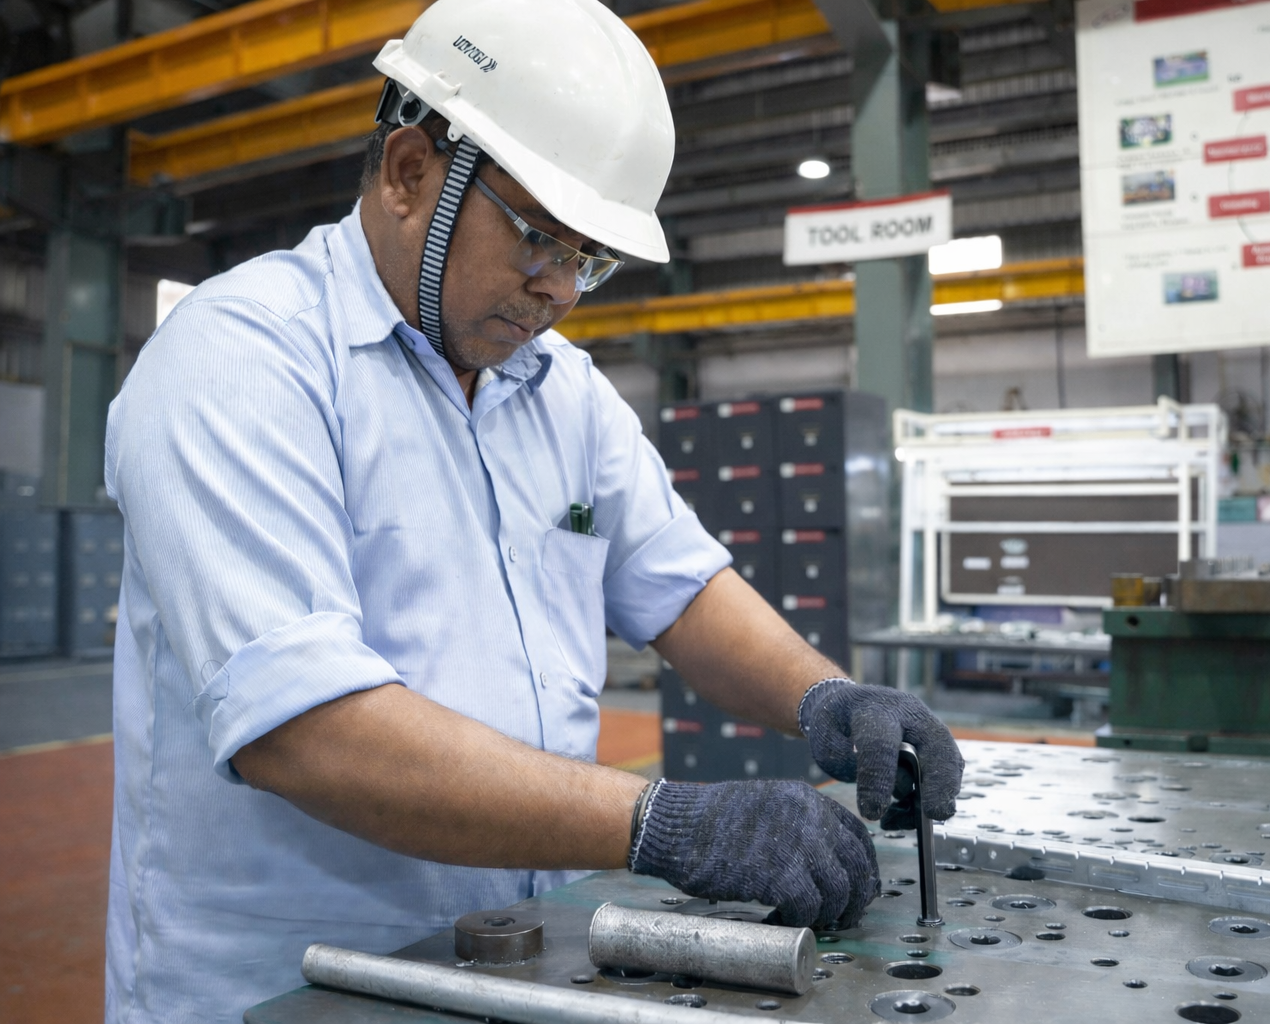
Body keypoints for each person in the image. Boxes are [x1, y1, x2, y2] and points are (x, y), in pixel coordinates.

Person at [101, 1, 963, 1020]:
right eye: (540, 241)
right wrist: (662, 822)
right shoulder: (241, 360)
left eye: (589, 260)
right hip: (285, 987)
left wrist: (826, 701)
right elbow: (303, 728)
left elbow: (681, 588)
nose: (559, 291)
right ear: (410, 171)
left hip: (523, 970)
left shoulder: (563, 392)